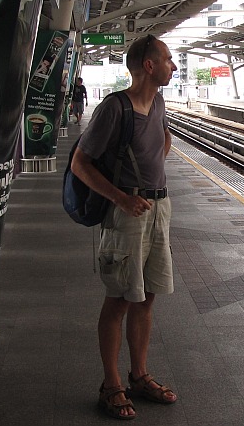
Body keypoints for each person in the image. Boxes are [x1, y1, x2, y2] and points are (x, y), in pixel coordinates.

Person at [69, 34, 178, 420]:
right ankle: (111, 384)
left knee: (147, 296)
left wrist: (149, 180)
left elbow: (161, 141)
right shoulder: (114, 108)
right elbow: (80, 164)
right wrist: (122, 196)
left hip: (157, 208)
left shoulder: (160, 102)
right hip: (126, 214)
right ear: (148, 65)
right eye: (167, 59)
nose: (173, 65)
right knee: (118, 299)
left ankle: (139, 375)